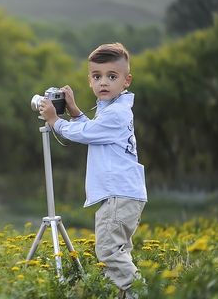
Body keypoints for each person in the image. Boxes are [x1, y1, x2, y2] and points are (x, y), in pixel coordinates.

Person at [39, 43, 147, 299]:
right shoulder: (112, 109)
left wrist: (55, 120)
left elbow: (86, 134)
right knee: (119, 253)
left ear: (126, 80)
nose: (103, 82)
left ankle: (142, 293)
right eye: (97, 77)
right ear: (89, 80)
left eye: (112, 76)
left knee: (109, 253)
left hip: (117, 195)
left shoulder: (117, 114)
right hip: (123, 193)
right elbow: (93, 131)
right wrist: (75, 111)